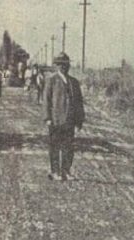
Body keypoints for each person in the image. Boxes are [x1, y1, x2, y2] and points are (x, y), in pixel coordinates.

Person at [43, 53, 85, 181]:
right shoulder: (52, 80)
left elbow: (79, 102)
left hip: (70, 120)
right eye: (60, 64)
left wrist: (79, 120)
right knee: (54, 146)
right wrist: (47, 118)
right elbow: (46, 100)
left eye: (65, 64)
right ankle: (55, 171)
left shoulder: (74, 82)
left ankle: (66, 171)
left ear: (69, 66)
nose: (63, 67)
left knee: (68, 147)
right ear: (57, 66)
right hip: (56, 120)